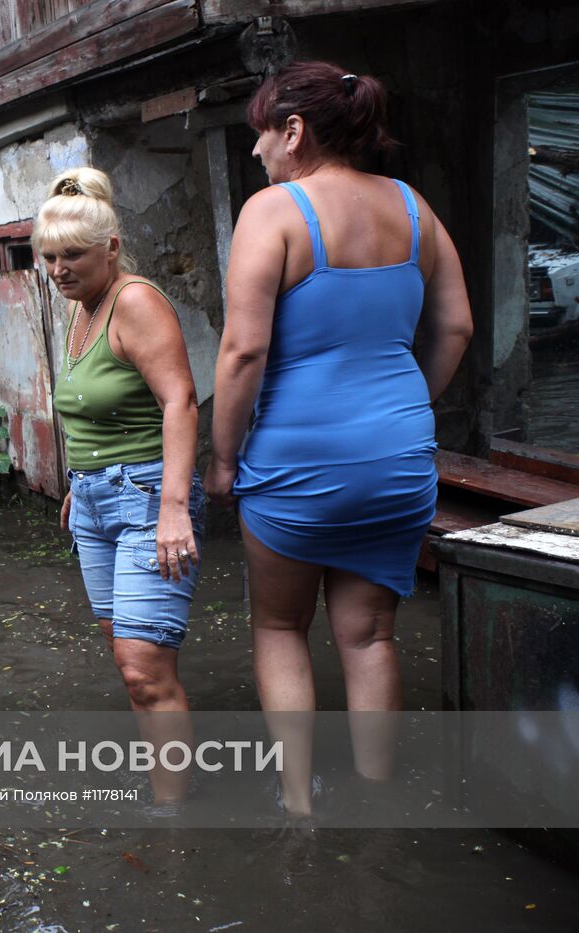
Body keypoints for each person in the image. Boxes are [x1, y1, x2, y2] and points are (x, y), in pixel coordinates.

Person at [207, 61, 473, 816]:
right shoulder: (414, 209)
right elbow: (456, 325)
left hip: (297, 461)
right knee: (369, 636)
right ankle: (381, 806)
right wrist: (408, 406)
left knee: (280, 627)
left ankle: (300, 805)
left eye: (261, 133)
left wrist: (223, 459)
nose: (256, 151)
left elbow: (242, 353)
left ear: (293, 132)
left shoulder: (275, 212)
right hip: (398, 459)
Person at [36, 167, 206, 803]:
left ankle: (176, 814)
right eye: (49, 257)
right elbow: (95, 411)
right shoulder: (83, 310)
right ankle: (170, 785)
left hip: (147, 501)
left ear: (110, 247)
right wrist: (80, 484)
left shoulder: (135, 301)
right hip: (98, 502)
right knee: (130, 659)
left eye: (73, 255)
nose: (59, 270)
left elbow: (180, 401)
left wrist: (173, 510)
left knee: (144, 668)